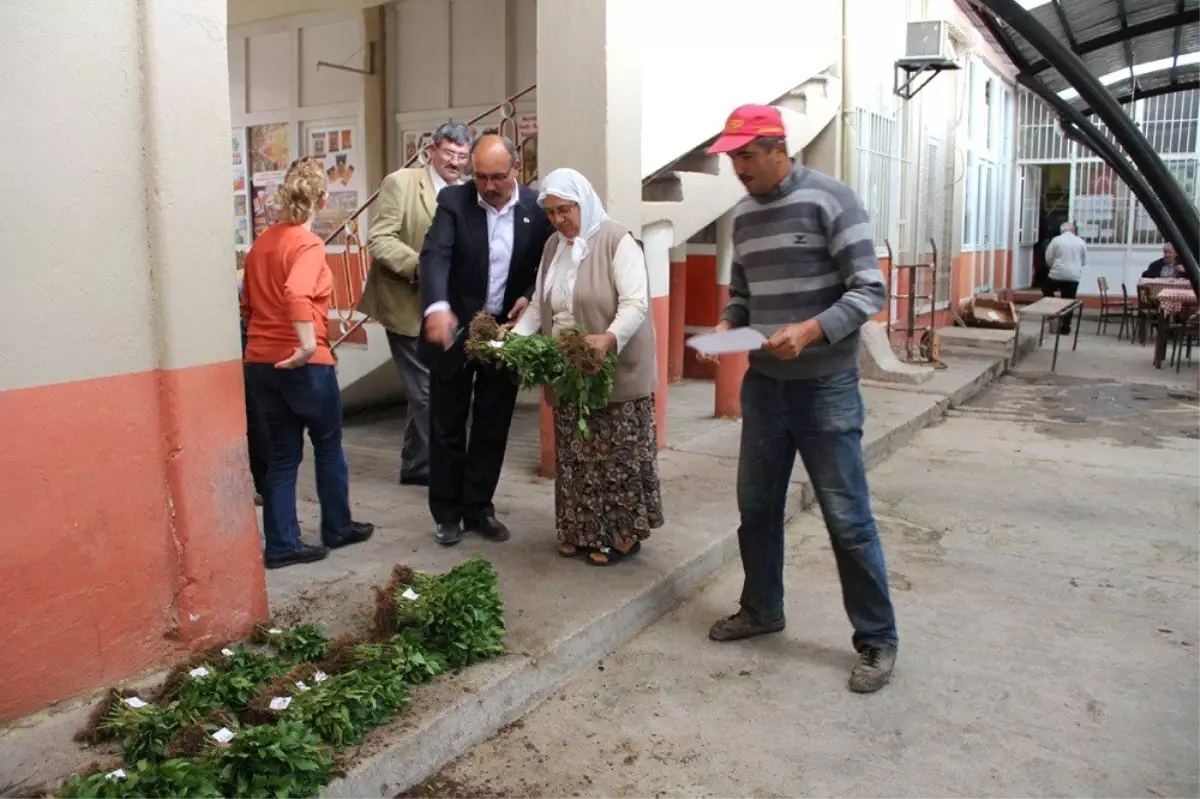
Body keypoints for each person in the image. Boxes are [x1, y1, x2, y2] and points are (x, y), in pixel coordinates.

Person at [699, 104, 898, 694]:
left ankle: (878, 638)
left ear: (778, 147)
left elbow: (871, 289)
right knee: (756, 508)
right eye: (732, 157)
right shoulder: (744, 218)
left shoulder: (832, 199)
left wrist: (811, 330)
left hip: (825, 387)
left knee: (847, 517)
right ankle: (763, 609)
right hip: (764, 389)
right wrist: (727, 325)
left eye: (746, 155)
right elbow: (743, 294)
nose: (738, 167)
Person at [508, 168, 662, 566]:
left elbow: (635, 304)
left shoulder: (616, 239)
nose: (560, 220)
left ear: (584, 202)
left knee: (615, 455)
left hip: (615, 369)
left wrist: (608, 339)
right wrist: (510, 341)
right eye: (552, 212)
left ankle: (622, 535)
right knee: (577, 455)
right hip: (570, 371)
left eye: (566, 209)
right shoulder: (552, 248)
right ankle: (580, 530)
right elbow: (543, 308)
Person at [419, 134, 554, 546]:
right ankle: (446, 513)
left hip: (504, 331)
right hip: (457, 327)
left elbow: (548, 261)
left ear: (517, 168)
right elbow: (435, 255)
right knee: (446, 425)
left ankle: (478, 507)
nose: (488, 185)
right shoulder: (454, 203)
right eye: (479, 176)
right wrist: (437, 306)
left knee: (493, 424)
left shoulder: (535, 208)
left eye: (497, 176)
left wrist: (530, 296)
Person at [242, 156, 374, 570]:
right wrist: (303, 346)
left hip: (260, 363)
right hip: (303, 363)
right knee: (328, 445)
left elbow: (247, 305)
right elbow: (297, 293)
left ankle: (281, 545)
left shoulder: (260, 244)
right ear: (322, 197)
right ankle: (337, 526)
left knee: (283, 454)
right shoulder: (308, 244)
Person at [362, 122, 471, 487]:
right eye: (449, 154)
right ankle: (442, 468)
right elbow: (379, 238)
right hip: (405, 303)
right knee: (426, 391)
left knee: (428, 388)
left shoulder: (466, 192)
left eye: (462, 157)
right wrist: (422, 267)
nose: (455, 163)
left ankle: (415, 464)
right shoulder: (402, 183)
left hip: (445, 307)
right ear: (432, 151)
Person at [1042, 221, 1087, 334]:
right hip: (1073, 277)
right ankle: (1066, 327)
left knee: (1046, 290)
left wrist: (1053, 267)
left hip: (1056, 275)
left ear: (1062, 230)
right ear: (1073, 230)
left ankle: (1053, 309)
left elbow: (1048, 258)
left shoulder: (1056, 240)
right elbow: (1084, 261)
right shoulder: (1080, 242)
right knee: (1069, 301)